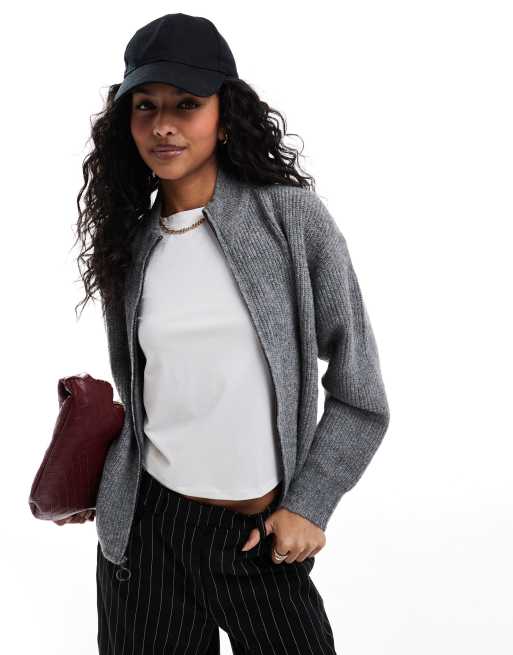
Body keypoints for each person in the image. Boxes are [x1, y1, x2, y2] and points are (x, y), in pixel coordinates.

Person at [72, 12, 390, 655]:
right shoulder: (130, 243)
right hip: (145, 532)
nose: (163, 124)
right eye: (145, 106)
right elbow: (152, 392)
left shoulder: (291, 219)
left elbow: (361, 394)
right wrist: (102, 483)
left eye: (186, 104)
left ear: (225, 114)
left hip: (258, 537)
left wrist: (310, 504)